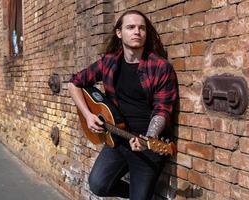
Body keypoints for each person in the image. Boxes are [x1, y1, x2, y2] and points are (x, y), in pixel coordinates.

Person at [68, 10, 177, 200]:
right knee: (98, 185)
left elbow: (163, 109)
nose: (137, 32)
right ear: (119, 33)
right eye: (131, 27)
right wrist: (87, 115)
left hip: (146, 144)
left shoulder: (160, 67)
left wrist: (149, 138)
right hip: (117, 138)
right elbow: (74, 83)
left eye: (141, 28)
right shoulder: (109, 62)